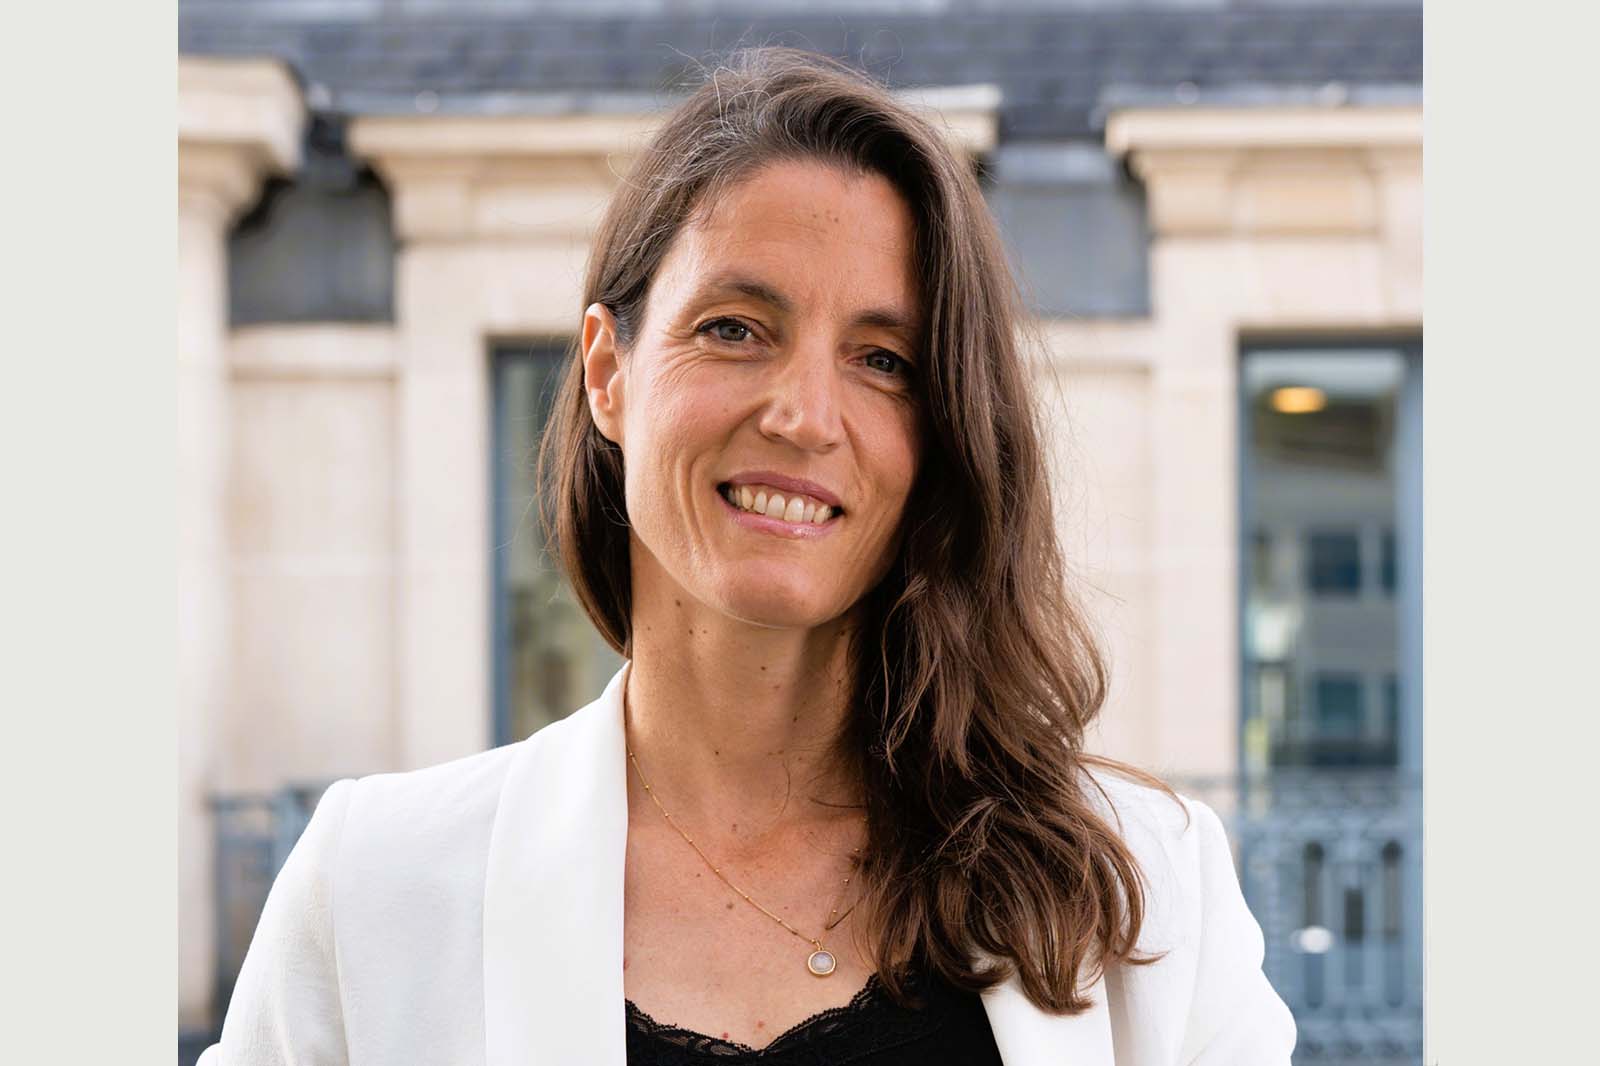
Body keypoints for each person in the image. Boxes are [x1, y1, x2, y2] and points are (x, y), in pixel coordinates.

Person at [200, 47, 1296, 1065]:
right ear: (607, 370)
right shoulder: (375, 887)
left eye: (883, 358)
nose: (805, 414)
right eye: (734, 327)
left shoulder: (1146, 891)